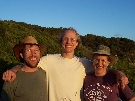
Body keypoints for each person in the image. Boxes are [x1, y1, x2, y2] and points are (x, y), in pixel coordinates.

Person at [2, 28, 128, 101]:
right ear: (61, 42)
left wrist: (120, 73)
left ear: (77, 43)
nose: (69, 42)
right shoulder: (48, 60)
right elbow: (30, 62)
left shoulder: (84, 63)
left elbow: (102, 67)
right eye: (65, 39)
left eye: (72, 39)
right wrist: (14, 69)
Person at [1, 36, 48, 101]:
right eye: (29, 50)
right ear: (22, 54)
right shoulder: (11, 78)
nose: (33, 54)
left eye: (36, 50)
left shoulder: (45, 73)